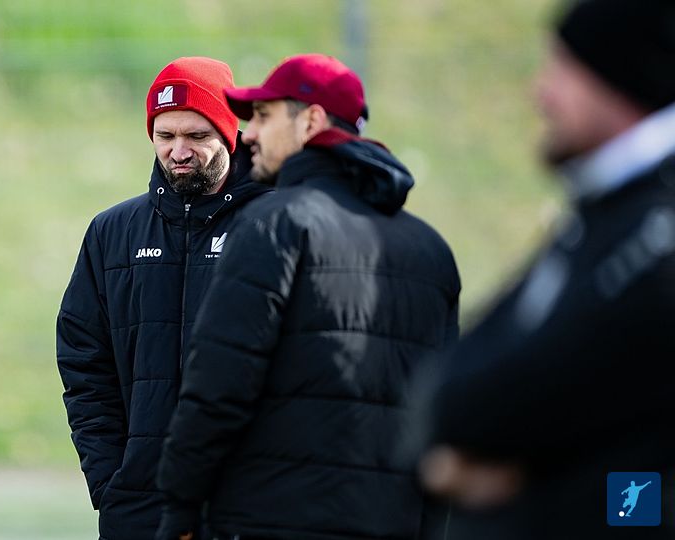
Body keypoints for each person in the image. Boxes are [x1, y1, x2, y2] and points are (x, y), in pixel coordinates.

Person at [156, 54, 461, 540]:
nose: (249, 134)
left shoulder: (273, 225)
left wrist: (179, 507)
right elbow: (442, 416)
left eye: (263, 116)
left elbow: (219, 386)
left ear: (311, 122)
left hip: (270, 519)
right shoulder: (431, 249)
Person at [409, 0, 675, 538]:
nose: (541, 92)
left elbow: (643, 492)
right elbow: (448, 395)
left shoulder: (653, 235)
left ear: (619, 76)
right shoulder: (601, 212)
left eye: (564, 69)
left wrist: (533, 490)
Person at [56, 57, 270, 540]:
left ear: (229, 133)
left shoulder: (275, 223)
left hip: (247, 509)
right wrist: (111, 479)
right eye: (165, 135)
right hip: (139, 508)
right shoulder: (112, 232)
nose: (178, 151)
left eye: (197, 136)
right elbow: (84, 363)